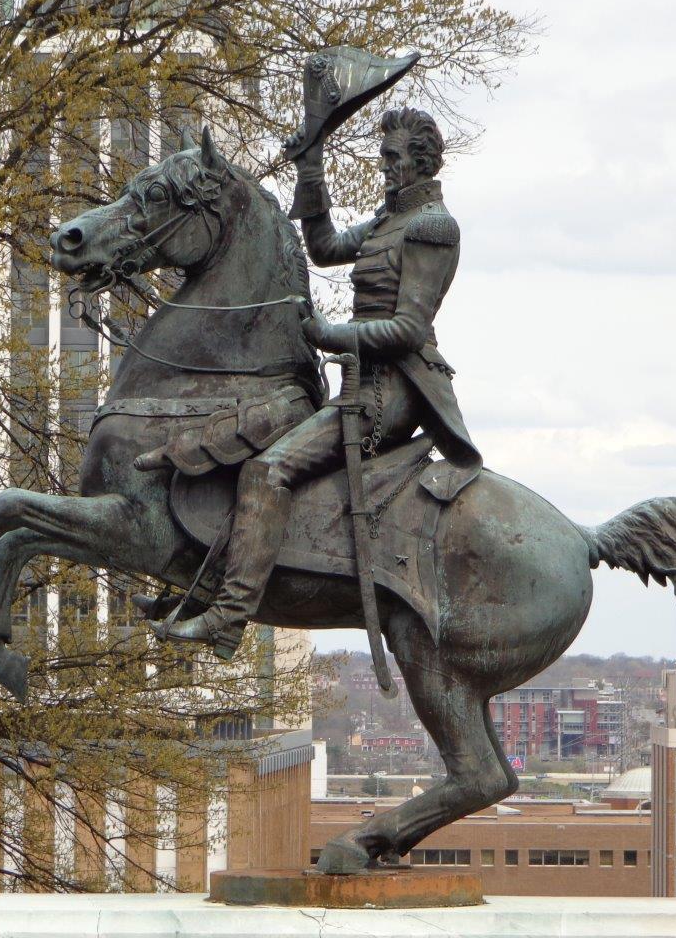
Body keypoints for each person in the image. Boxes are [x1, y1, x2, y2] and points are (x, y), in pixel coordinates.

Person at [161, 107, 482, 659]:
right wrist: (311, 169)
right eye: (384, 157)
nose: (385, 166)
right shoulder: (391, 217)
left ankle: (230, 616)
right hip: (363, 380)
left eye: (392, 157)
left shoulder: (433, 227)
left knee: (269, 468)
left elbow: (409, 328)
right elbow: (325, 246)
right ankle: (206, 588)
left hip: (396, 390)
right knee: (252, 448)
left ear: (420, 161)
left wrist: (328, 333)